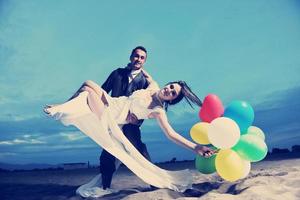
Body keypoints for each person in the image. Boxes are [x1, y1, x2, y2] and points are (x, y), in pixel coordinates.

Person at [44, 64, 216, 198]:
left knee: (89, 94)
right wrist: (136, 64)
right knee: (87, 84)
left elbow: (171, 134)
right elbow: (144, 71)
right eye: (171, 86)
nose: (169, 90)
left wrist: (196, 147)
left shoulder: (157, 110)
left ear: (171, 100)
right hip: (112, 102)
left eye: (172, 93)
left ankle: (59, 109)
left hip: (112, 115)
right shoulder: (153, 86)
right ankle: (62, 105)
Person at [99, 46, 152, 190]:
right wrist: (104, 109)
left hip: (131, 124)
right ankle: (105, 187)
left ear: (145, 61)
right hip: (114, 120)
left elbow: (149, 105)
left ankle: (154, 183)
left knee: (139, 150)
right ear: (130, 57)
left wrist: (139, 120)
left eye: (142, 57)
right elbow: (102, 92)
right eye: (136, 56)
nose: (138, 59)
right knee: (107, 153)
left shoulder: (146, 82)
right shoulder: (117, 73)